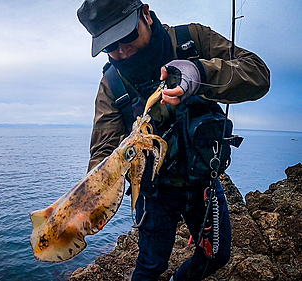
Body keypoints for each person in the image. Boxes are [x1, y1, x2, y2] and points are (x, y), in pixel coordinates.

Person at [77, 0, 270, 280]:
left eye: (127, 36)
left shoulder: (193, 40)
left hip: (205, 183)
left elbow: (258, 74)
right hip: (155, 194)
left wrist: (202, 74)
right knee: (150, 266)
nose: (121, 50)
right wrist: (89, 197)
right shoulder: (111, 84)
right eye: (109, 46)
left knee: (216, 255)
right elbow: (104, 149)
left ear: (145, 14)